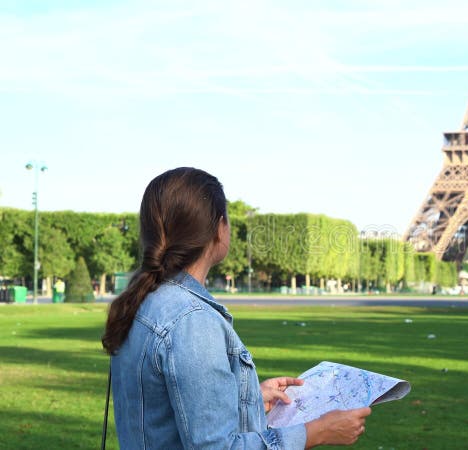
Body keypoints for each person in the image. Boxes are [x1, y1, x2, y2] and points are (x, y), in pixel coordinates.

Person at [102, 168, 370, 449]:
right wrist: (317, 433)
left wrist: (249, 398)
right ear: (220, 229)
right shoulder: (192, 320)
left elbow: (165, 411)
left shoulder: (143, 302)